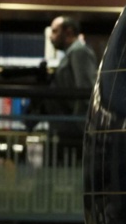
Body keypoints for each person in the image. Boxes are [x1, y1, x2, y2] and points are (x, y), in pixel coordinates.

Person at [42, 14, 98, 159]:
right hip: (70, 126)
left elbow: (85, 89)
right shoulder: (72, 53)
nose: (51, 37)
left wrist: (77, 126)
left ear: (68, 32)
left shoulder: (79, 51)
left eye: (55, 31)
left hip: (75, 130)